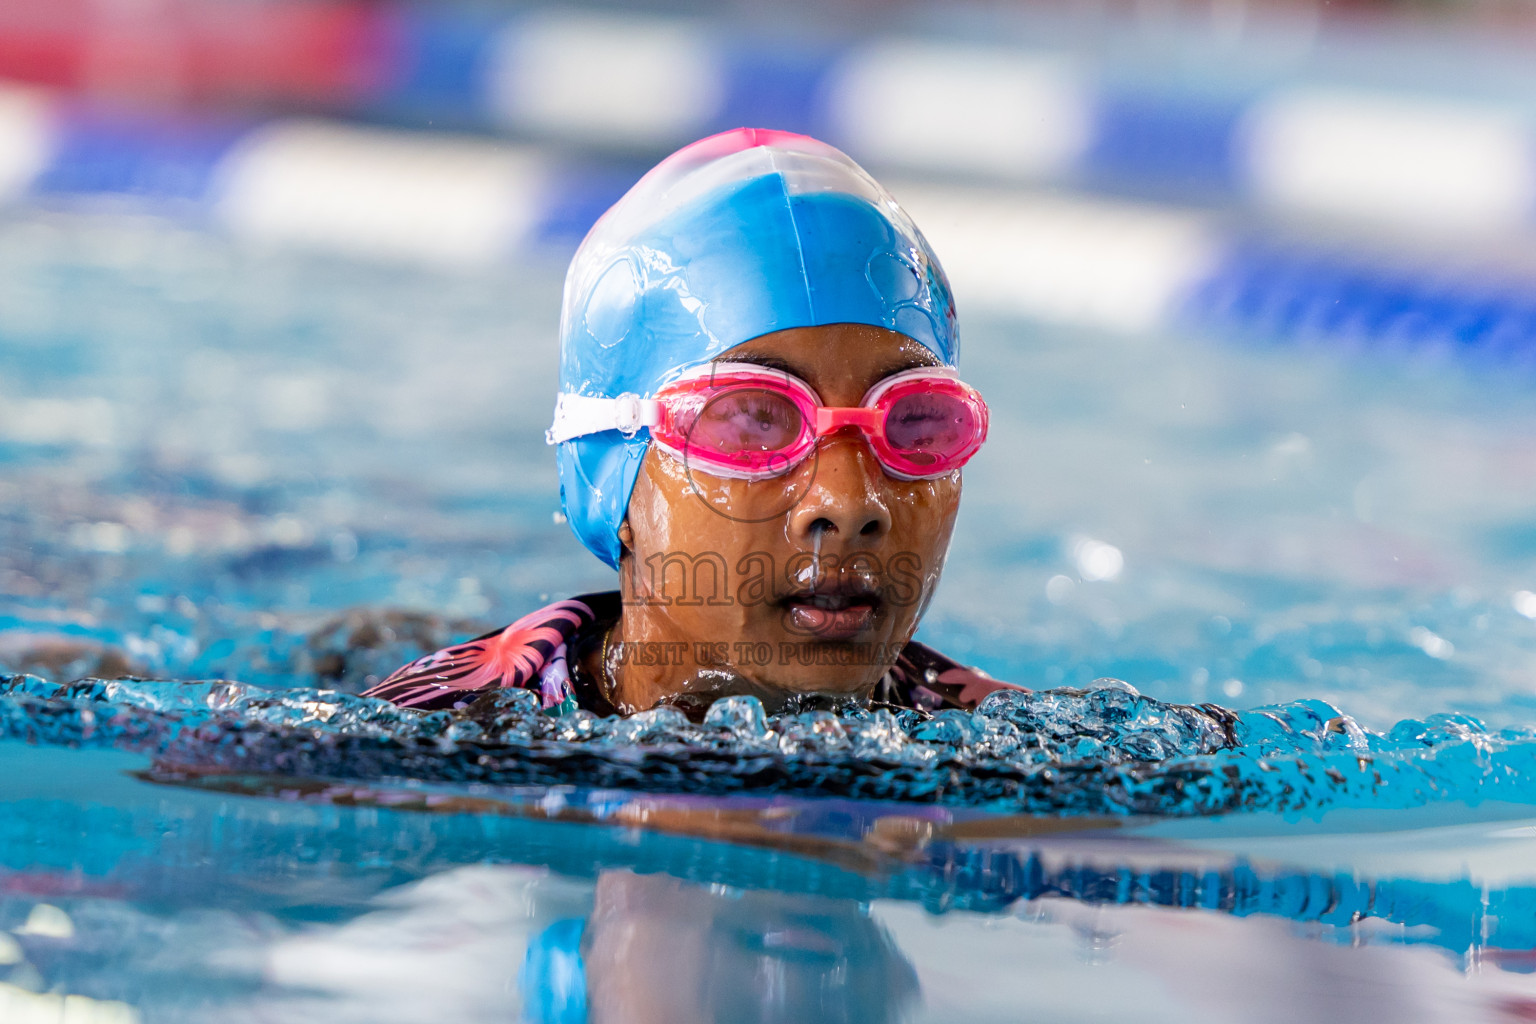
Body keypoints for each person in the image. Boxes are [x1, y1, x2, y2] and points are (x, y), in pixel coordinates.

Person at [365, 128, 1019, 718]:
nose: (850, 503)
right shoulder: (438, 737)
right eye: (753, 419)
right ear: (609, 476)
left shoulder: (1016, 753)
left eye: (914, 419)